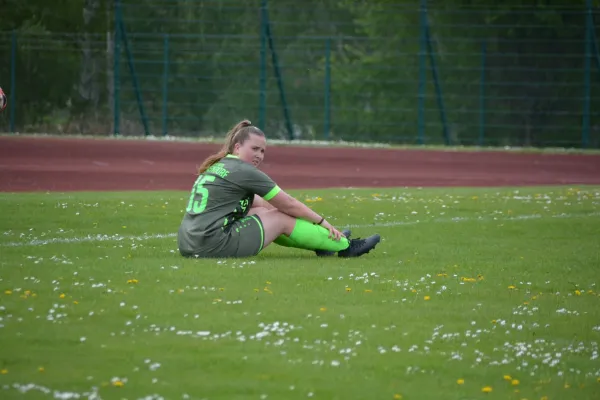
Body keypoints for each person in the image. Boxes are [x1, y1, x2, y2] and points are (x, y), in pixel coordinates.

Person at [177, 119, 381, 259]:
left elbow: (262, 203)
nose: (259, 155)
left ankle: (322, 243)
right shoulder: (243, 170)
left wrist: (318, 231)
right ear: (237, 148)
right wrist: (324, 223)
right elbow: (288, 204)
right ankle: (346, 246)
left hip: (189, 244)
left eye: (263, 151)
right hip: (211, 246)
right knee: (280, 217)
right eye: (254, 149)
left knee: (262, 211)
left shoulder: (220, 165)